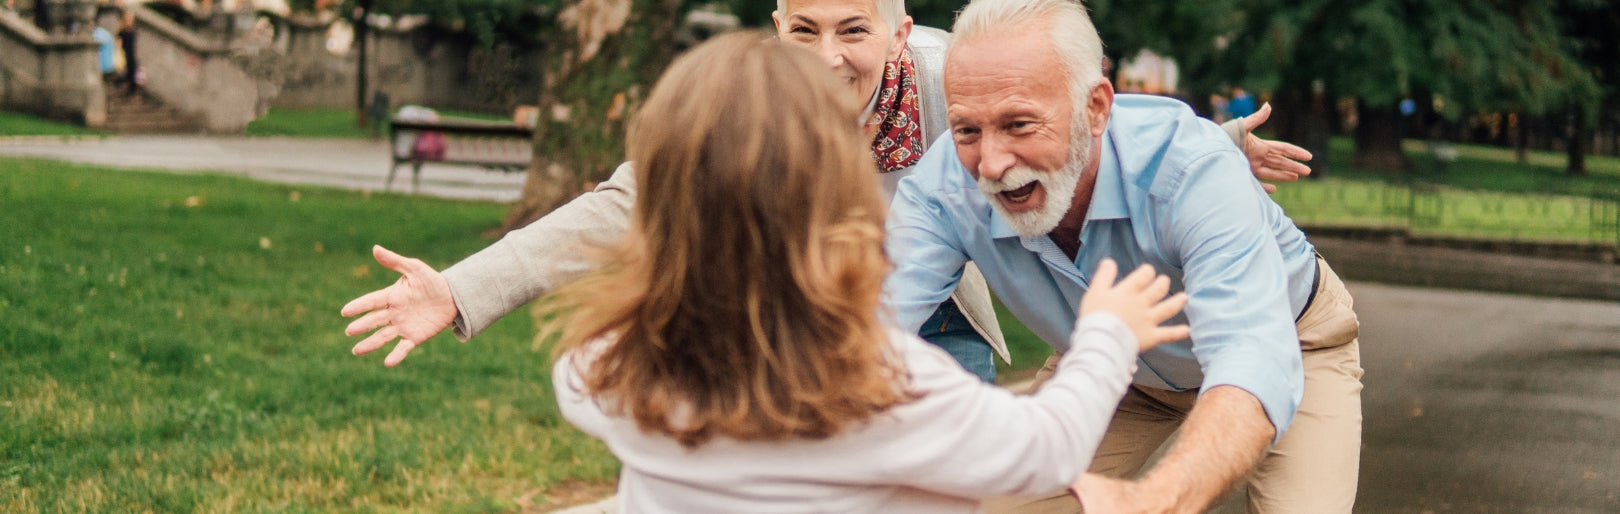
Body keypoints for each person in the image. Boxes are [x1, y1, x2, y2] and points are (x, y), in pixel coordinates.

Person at [340, 0, 1312, 379]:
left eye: (854, 28)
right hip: (812, 315)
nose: (828, 57)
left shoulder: (949, 77)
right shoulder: (755, 101)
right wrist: (461, 289)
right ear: (777, 25)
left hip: (938, 316)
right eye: (805, 30)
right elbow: (629, 198)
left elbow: (1075, 110)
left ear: (897, 27)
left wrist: (1216, 143)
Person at [547, 32, 1191, 512]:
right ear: (837, 193)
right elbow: (1047, 449)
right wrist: (1107, 334)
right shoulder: (886, 387)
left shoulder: (606, 368)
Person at [881, 0, 1362, 513]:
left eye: (1019, 124)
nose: (992, 164)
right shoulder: (940, 191)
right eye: (967, 130)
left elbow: (1250, 357)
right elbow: (867, 329)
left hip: (1290, 340)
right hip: (1114, 361)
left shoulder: (1191, 168)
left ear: (1096, 108)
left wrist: (1157, 499)